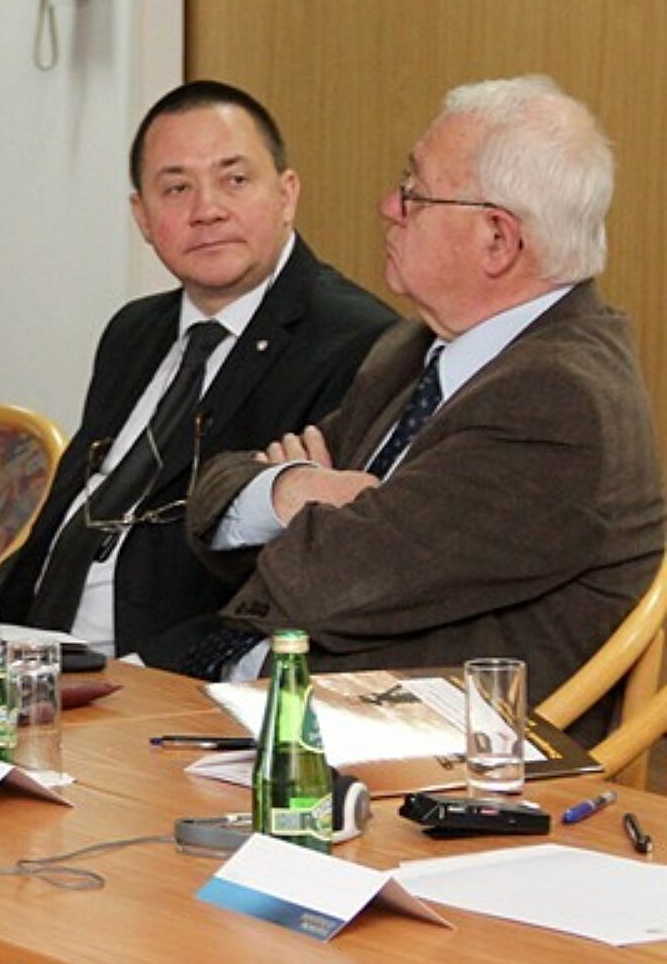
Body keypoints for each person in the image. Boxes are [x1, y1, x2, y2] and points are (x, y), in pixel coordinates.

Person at [175, 75, 664, 746]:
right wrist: (294, 490)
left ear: (498, 239)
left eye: (414, 192)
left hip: (448, 763)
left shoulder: (559, 400)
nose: (388, 207)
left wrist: (297, 527)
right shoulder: (416, 349)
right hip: (296, 711)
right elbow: (214, 497)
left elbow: (320, 585)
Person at [0, 80, 395, 661]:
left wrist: (144, 672)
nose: (207, 210)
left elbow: (301, 583)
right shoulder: (134, 331)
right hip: (33, 656)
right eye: (177, 188)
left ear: (287, 194)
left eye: (235, 180)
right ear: (142, 216)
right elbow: (67, 520)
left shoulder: (358, 344)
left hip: (166, 676)